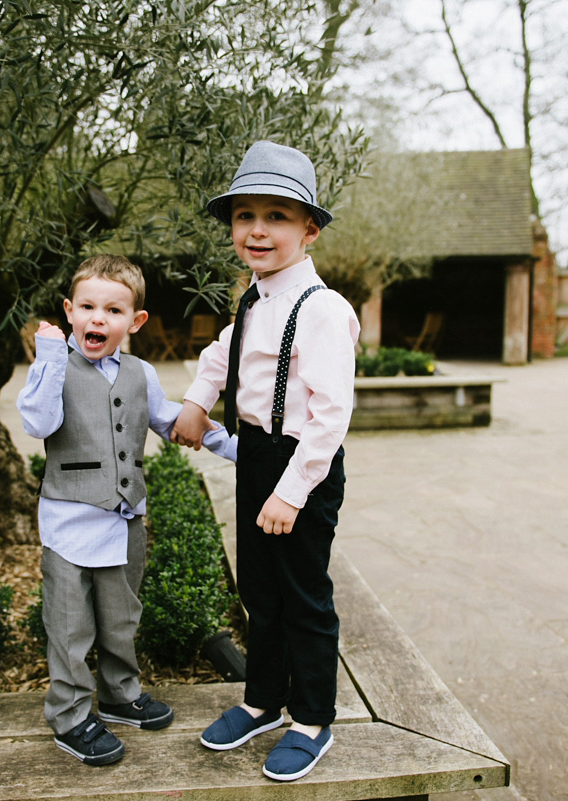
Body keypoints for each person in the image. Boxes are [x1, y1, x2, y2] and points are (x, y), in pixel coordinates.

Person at [171, 141, 359, 782]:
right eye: (244, 215)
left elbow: (331, 417)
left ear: (309, 230)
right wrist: (198, 403)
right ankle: (262, 701)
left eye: (276, 216)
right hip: (255, 457)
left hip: (301, 464)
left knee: (303, 595)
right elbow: (223, 356)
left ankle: (311, 718)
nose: (257, 229)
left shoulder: (324, 310)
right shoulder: (251, 300)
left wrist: (291, 492)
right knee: (259, 590)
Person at [17, 254, 236, 766]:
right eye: (88, 307)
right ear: (69, 311)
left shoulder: (140, 372)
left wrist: (241, 450)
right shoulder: (52, 368)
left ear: (134, 321)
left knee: (121, 617)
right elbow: (39, 423)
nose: (98, 318)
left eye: (113, 310)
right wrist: (47, 357)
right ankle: (70, 716)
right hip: (68, 520)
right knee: (70, 626)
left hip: (124, 518)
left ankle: (119, 694)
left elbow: (173, 423)